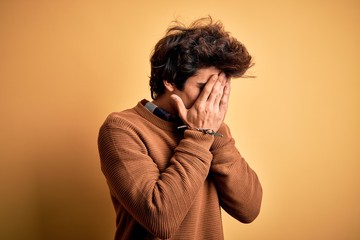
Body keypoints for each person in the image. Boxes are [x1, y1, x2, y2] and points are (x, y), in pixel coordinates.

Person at [98, 16, 262, 240]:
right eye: (204, 87)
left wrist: (213, 135)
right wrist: (200, 136)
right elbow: (161, 220)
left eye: (220, 89)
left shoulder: (214, 129)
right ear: (171, 80)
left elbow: (250, 210)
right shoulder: (121, 129)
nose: (212, 98)